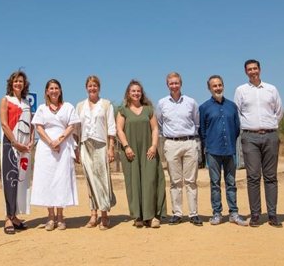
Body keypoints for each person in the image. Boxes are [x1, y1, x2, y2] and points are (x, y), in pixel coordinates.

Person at [234, 59, 284, 227]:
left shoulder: (271, 89)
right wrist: (250, 127)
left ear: (260, 70)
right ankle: (255, 214)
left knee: (271, 177)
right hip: (250, 137)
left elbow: (279, 111)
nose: (253, 71)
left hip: (270, 136)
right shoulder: (241, 90)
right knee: (253, 176)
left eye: (255, 68)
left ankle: (272, 214)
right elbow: (237, 112)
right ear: (245, 72)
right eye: (249, 69)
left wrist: (269, 126)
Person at [30, 79, 80, 231]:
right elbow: (38, 127)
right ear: (46, 91)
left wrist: (59, 140)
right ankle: (50, 216)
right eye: (51, 88)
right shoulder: (41, 108)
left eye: (56, 88)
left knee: (61, 181)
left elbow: (72, 125)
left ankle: (60, 216)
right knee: (48, 181)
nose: (54, 91)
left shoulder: (68, 106)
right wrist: (51, 142)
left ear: (60, 90)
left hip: (63, 147)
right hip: (46, 149)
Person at [116, 80, 167, 228]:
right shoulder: (123, 110)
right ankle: (138, 216)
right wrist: (126, 147)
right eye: (133, 91)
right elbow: (119, 130)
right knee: (134, 182)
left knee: (150, 181)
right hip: (130, 151)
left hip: (148, 150)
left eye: (138, 91)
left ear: (141, 93)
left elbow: (155, 129)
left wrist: (153, 146)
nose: (136, 93)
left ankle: (151, 216)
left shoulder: (148, 109)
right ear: (128, 93)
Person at [198, 75, 248, 227]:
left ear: (223, 86)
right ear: (209, 88)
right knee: (215, 183)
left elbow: (237, 128)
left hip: (230, 150)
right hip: (213, 151)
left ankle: (233, 213)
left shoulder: (232, 106)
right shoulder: (204, 107)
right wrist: (209, 144)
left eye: (220, 85)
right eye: (214, 86)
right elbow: (202, 130)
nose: (217, 88)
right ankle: (217, 213)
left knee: (231, 182)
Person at [156, 72, 201, 226]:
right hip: (171, 143)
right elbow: (159, 123)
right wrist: (169, 137)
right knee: (175, 181)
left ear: (181, 84)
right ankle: (177, 213)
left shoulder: (191, 102)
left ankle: (194, 214)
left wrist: (192, 139)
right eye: (171, 83)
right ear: (167, 85)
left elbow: (197, 122)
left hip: (189, 142)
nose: (174, 86)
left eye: (176, 83)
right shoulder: (162, 103)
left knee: (191, 180)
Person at [75, 75, 117, 231]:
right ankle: (93, 214)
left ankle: (104, 215)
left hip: (101, 144)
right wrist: (76, 149)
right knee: (89, 179)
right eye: (90, 85)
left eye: (95, 85)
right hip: (85, 144)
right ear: (86, 87)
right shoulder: (80, 106)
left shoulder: (106, 105)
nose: (92, 88)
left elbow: (111, 127)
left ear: (99, 87)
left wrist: (111, 147)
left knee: (102, 179)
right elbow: (76, 129)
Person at [0, 70, 34, 235]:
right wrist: (15, 142)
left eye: (21, 81)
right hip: (11, 145)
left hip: (25, 147)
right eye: (15, 81)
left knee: (22, 180)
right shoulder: (5, 100)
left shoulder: (27, 103)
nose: (18, 84)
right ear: (11, 84)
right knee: (10, 179)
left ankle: (15, 216)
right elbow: (4, 124)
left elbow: (32, 124)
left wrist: (31, 140)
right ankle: (8, 217)